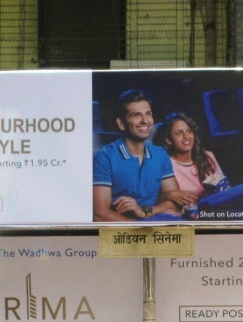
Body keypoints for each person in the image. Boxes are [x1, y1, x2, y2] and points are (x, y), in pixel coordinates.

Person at [92, 89, 194, 222]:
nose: (145, 120)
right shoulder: (104, 157)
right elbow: (100, 214)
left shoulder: (160, 154)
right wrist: (141, 228)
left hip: (157, 221)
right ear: (121, 123)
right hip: (125, 231)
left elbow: (175, 202)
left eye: (148, 114)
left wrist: (142, 212)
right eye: (136, 115)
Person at [159, 111, 230, 215]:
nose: (186, 136)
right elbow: (154, 206)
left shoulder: (207, 156)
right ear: (169, 140)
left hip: (216, 210)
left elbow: (225, 189)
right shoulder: (164, 165)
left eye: (189, 131)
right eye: (179, 133)